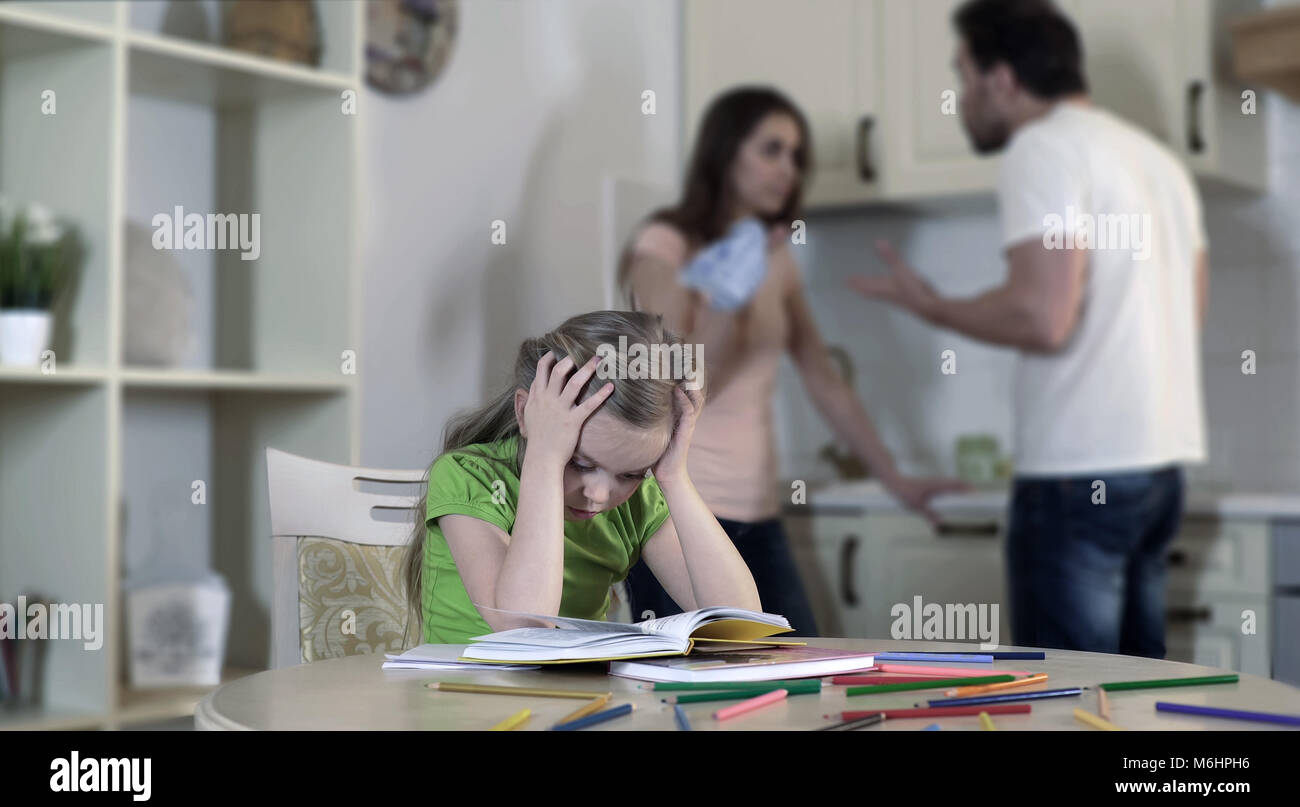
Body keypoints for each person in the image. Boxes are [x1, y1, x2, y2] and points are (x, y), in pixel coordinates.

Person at [850, 0, 1209, 657]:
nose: (960, 99)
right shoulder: (1159, 163)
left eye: (963, 74)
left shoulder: (1040, 150)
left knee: (1067, 695)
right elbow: (1191, 313)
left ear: (1003, 78)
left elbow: (1043, 317)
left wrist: (933, 307)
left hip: (1078, 475)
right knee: (1139, 691)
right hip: (1160, 471)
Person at [618, 87, 965, 636]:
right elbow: (676, 377)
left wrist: (895, 478)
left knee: (803, 676)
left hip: (760, 514)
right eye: (771, 149)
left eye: (797, 156)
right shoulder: (666, 243)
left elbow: (824, 378)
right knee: (692, 690)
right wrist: (728, 301)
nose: (788, 168)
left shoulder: (775, 257)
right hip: (678, 516)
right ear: (726, 152)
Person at [402, 310, 761, 643]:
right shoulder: (468, 477)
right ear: (528, 415)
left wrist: (674, 476)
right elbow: (523, 628)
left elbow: (741, 626)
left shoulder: (641, 500)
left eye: (632, 473)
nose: (601, 495)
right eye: (580, 464)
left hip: (576, 702)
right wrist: (544, 460)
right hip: (461, 701)